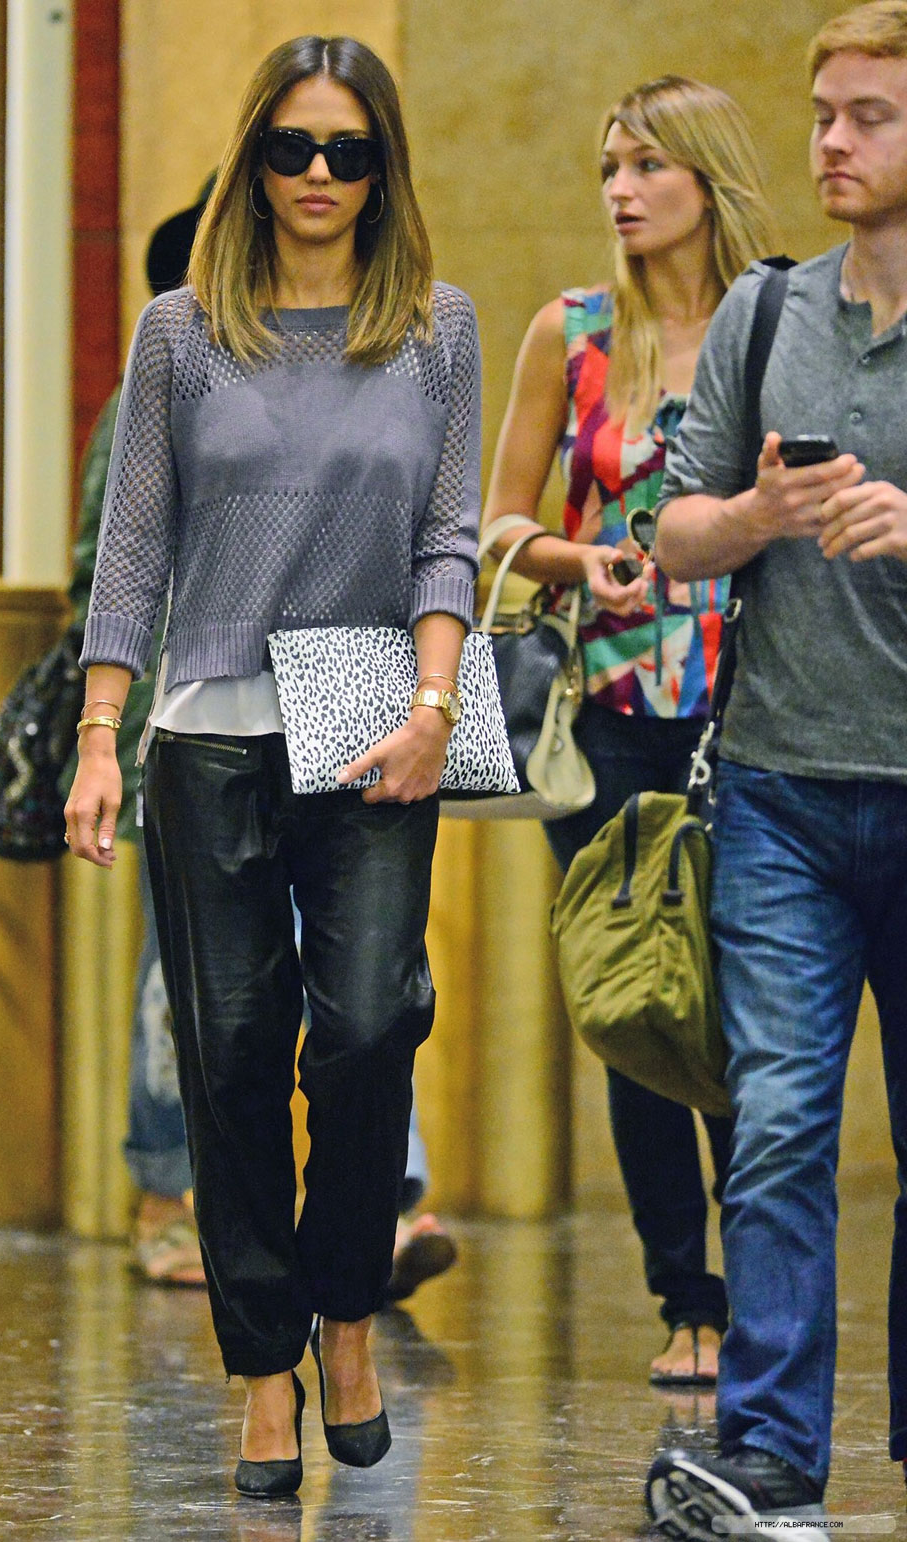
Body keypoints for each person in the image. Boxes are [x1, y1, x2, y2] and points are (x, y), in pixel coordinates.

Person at [66, 34, 479, 1497]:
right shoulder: (182, 331)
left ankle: (347, 1314)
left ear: (383, 172)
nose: (318, 175)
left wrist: (437, 702)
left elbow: (447, 532)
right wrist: (101, 733)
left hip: (376, 706)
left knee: (368, 1027)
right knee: (230, 1051)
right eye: (294, 149)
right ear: (252, 162)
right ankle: (261, 1369)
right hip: (211, 728)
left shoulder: (437, 326)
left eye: (348, 152)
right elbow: (134, 549)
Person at [643, 4, 907, 1533]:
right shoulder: (765, 310)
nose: (830, 141)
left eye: (869, 115)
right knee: (783, 1119)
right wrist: (756, 518)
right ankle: (766, 1451)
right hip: (780, 794)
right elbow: (673, 535)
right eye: (823, 112)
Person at [481, 77, 775, 1388]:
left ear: (706, 179)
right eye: (610, 163)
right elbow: (494, 524)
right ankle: (686, 1293)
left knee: (754, 1007)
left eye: (648, 163)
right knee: (640, 996)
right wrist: (571, 553)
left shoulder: (778, 324)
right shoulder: (574, 332)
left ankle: (768, 1293)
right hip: (602, 720)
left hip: (756, 713)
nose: (621, 187)